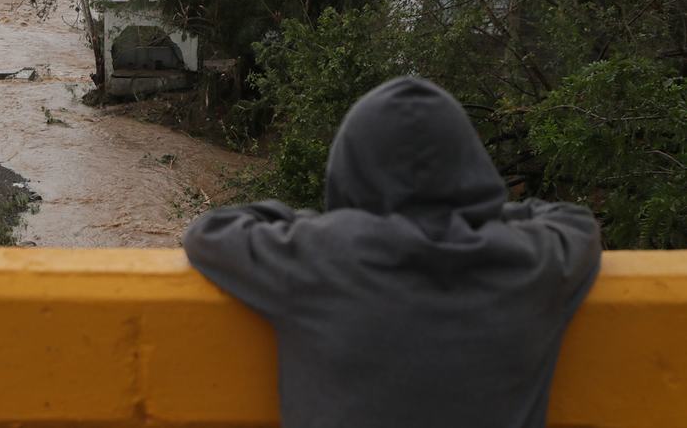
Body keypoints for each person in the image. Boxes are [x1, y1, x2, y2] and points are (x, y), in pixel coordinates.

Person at [183, 76, 601, 428]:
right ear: (471, 167)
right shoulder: (535, 262)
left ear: (349, 166)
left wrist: (322, 222)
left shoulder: (320, 255)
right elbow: (575, 220)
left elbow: (211, 231)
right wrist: (479, 217)